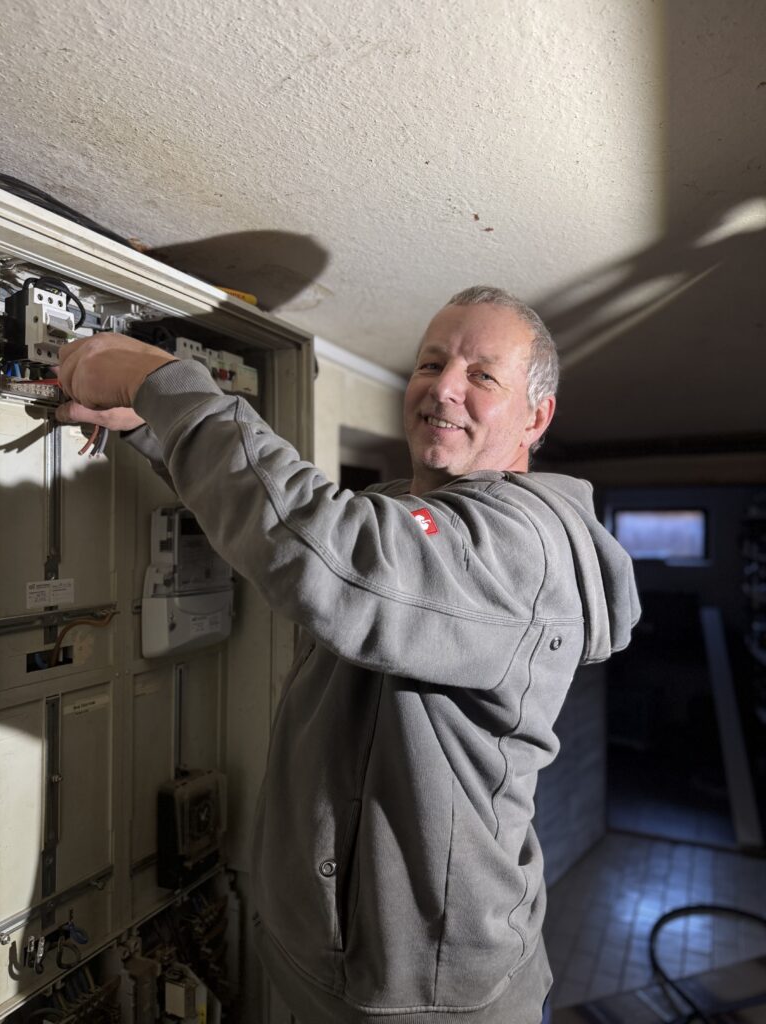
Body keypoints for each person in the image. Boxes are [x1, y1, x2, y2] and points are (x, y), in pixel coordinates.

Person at [57, 285, 640, 1024]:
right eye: (431, 363)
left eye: (482, 376)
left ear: (536, 416)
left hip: (422, 996)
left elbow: (333, 558)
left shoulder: (522, 545)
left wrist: (163, 384)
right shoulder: (419, 513)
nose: (443, 388)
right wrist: (155, 428)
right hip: (349, 964)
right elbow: (292, 528)